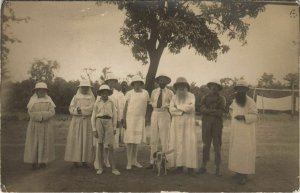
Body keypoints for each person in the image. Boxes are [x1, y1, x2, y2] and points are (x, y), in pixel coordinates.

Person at [228, 80, 258, 185]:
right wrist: (233, 117)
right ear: (237, 90)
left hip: (246, 131)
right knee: (236, 150)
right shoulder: (234, 101)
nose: (240, 91)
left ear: (246, 90)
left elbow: (255, 116)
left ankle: (244, 175)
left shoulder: (251, 101)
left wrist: (244, 117)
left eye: (243, 89)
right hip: (236, 130)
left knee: (245, 151)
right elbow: (231, 110)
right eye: (239, 89)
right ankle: (237, 172)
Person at [167, 77, 198, 175]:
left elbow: (190, 108)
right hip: (176, 123)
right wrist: (181, 111)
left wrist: (178, 108)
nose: (181, 87)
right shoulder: (174, 97)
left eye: (183, 85)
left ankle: (190, 168)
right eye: (179, 86)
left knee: (189, 144)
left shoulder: (191, 96)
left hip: (188, 122)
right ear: (176, 87)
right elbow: (171, 110)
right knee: (177, 142)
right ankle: (179, 166)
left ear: (186, 87)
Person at [24, 82, 56, 169]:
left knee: (44, 143)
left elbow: (52, 112)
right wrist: (39, 117)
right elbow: (31, 113)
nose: (41, 92)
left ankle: (43, 161)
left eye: (43, 91)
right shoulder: (32, 101)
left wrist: (43, 116)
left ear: (46, 91)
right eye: (39, 91)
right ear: (36, 91)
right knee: (34, 143)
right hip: (35, 125)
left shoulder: (49, 100)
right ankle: (34, 161)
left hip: (46, 125)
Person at [64, 80, 95, 168]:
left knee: (86, 140)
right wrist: (77, 111)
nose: (84, 89)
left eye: (86, 87)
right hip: (76, 122)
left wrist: (81, 110)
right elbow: (71, 108)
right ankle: (75, 160)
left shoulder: (91, 97)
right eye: (83, 87)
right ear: (80, 88)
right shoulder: (75, 97)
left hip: (87, 122)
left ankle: (85, 160)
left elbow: (92, 108)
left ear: (89, 88)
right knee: (76, 139)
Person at [91, 84, 121, 175]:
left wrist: (115, 127)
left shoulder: (111, 102)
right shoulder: (97, 102)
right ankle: (100, 167)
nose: (104, 95)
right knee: (100, 145)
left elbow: (115, 116)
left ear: (108, 93)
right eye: (103, 93)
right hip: (99, 121)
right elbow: (93, 116)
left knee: (110, 146)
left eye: (106, 93)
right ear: (100, 94)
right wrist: (94, 129)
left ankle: (114, 168)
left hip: (109, 122)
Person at [199, 79, 226, 176]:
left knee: (217, 145)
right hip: (206, 123)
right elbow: (201, 108)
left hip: (217, 124)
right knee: (205, 144)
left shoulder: (222, 98)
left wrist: (209, 111)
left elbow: (221, 111)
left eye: (216, 86)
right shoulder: (204, 97)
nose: (214, 88)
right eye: (212, 86)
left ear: (219, 88)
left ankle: (217, 168)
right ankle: (203, 165)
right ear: (209, 87)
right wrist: (212, 111)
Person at [146, 74, 174, 169]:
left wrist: (168, 107)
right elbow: (151, 102)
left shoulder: (170, 93)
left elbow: (173, 105)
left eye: (164, 80)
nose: (162, 82)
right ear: (158, 82)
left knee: (164, 138)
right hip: (155, 113)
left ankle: (165, 161)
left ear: (166, 82)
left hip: (164, 113)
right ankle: (152, 161)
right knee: (153, 138)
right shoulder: (154, 91)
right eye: (160, 80)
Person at [96, 73, 124, 167]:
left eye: (113, 81)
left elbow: (119, 108)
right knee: (101, 142)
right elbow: (97, 107)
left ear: (115, 82)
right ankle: (100, 161)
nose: (111, 83)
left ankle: (107, 159)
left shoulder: (118, 94)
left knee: (110, 143)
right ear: (107, 82)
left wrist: (119, 120)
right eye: (109, 81)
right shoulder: (101, 92)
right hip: (101, 121)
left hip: (112, 120)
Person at [123, 75, 149, 170]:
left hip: (140, 119)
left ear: (141, 84)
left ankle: (135, 161)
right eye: (135, 83)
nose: (137, 85)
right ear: (133, 84)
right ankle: (129, 162)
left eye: (139, 83)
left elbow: (147, 107)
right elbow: (125, 107)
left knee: (136, 141)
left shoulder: (146, 93)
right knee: (130, 141)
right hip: (130, 119)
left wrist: (146, 119)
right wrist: (124, 119)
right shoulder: (129, 93)